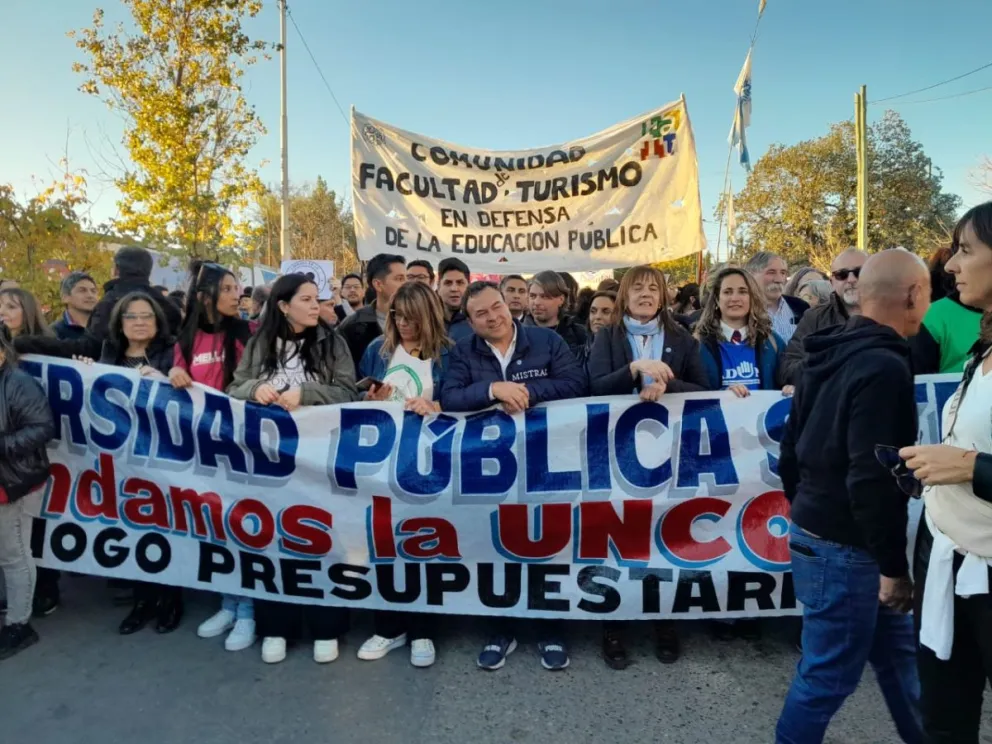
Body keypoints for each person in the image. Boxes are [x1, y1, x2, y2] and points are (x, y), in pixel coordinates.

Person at [775, 249, 929, 744]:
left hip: (827, 533)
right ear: (913, 295)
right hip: (847, 547)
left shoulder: (829, 352)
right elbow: (872, 476)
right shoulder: (883, 367)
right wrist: (891, 567)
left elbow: (790, 449)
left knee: (900, 658)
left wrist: (809, 509)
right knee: (827, 677)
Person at [441, 282, 587, 672]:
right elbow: (450, 396)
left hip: (545, 461)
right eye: (482, 314)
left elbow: (575, 384)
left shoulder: (547, 340)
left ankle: (550, 629)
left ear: (508, 304)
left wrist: (522, 391)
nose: (493, 317)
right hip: (490, 469)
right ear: (470, 322)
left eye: (497, 307)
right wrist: (492, 389)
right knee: (494, 547)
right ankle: (499, 629)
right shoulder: (461, 352)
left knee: (547, 546)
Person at [227, 273, 358, 665]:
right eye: (306, 299)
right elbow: (235, 387)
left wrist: (308, 394)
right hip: (271, 461)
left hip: (322, 459)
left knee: (324, 541)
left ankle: (326, 627)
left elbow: (350, 392)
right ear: (284, 306)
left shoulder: (332, 341)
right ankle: (275, 626)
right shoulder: (260, 343)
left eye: (316, 298)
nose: (316, 305)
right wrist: (254, 390)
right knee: (273, 541)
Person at [898, 202, 992, 742]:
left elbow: (974, 460)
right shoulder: (983, 344)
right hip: (947, 561)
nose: (951, 265)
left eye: (966, 250)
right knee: (944, 721)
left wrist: (968, 466)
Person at [587, 266, 707, 668]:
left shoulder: (680, 338)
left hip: (669, 455)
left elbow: (704, 388)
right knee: (617, 535)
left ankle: (663, 620)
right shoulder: (608, 336)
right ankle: (614, 624)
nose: (645, 294)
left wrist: (666, 386)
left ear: (662, 296)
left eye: (652, 288)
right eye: (636, 288)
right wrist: (634, 371)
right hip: (614, 454)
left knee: (663, 535)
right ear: (625, 295)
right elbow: (593, 387)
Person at [356, 282, 451, 668]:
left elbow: (462, 402)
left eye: (412, 317)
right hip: (382, 465)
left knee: (425, 546)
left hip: (430, 465)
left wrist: (438, 404)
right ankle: (389, 626)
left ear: (428, 315)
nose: (404, 324)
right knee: (384, 547)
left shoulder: (448, 355)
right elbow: (354, 405)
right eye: (397, 316)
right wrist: (366, 401)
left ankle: (423, 631)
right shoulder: (376, 352)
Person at [167, 263, 255, 652]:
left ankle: (249, 610)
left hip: (244, 449)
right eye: (229, 288)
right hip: (203, 452)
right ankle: (227, 602)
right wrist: (173, 372)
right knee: (216, 530)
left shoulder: (247, 334)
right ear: (206, 297)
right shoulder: (185, 340)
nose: (238, 294)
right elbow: (178, 378)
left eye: (238, 288)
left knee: (247, 528)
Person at [91, 293, 183, 635]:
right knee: (134, 530)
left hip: (164, 457)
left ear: (158, 322)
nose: (140, 322)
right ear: (120, 322)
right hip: (123, 460)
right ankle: (143, 601)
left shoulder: (172, 355)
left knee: (168, 528)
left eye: (147, 316)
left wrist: (169, 377)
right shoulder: (108, 356)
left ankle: (171, 599)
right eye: (132, 316)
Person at [13, 246, 182, 361]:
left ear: (115, 269)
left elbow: (90, 348)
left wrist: (24, 343)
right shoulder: (168, 307)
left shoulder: (110, 302)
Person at [0, 324, 55, 660]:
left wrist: (2, 446)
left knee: (14, 554)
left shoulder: (19, 383)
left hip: (13, 481)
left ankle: (19, 625)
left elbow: (43, 427)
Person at [778, 249, 868, 388]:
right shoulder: (814, 318)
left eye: (859, 272)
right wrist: (824, 363)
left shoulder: (894, 314)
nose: (851, 280)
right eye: (842, 275)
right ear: (832, 282)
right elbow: (787, 370)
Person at [696, 267, 786, 400]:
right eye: (727, 292)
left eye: (743, 292)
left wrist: (791, 386)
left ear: (752, 297)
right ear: (716, 299)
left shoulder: (773, 341)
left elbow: (788, 378)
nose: (735, 298)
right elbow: (691, 389)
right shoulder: (697, 344)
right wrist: (722, 394)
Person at [911, 231, 983, 375]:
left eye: (966, 251)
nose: (950, 266)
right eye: (956, 251)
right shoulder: (932, 318)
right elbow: (919, 390)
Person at [337, 254, 406, 374]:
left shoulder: (421, 319)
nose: (406, 284)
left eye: (407, 278)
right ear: (378, 284)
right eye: (399, 279)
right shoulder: (353, 326)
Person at [525, 270, 589, 363]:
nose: (537, 302)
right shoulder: (515, 335)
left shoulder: (579, 333)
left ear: (561, 299)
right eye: (532, 296)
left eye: (545, 297)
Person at [745, 251, 808, 344]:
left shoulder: (801, 307)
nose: (779, 279)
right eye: (771, 272)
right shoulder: (741, 311)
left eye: (783, 273)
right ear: (751, 275)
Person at [52, 272, 99, 340]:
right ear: (65, 297)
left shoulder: (106, 329)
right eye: (82, 290)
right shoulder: (54, 333)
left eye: (93, 291)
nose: (90, 295)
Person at [437, 257, 472, 342]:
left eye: (460, 283)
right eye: (448, 283)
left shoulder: (479, 322)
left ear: (469, 286)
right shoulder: (425, 319)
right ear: (438, 287)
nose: (454, 288)